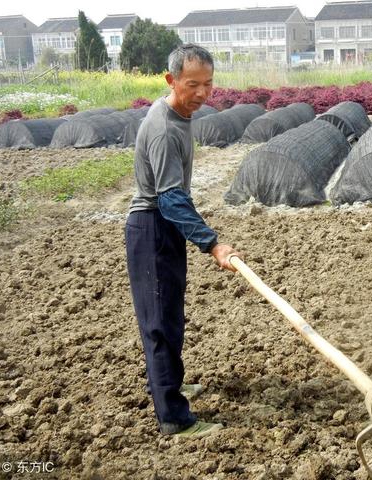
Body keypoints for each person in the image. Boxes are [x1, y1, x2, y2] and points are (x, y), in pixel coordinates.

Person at [125, 44, 241, 438]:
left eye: (209, 84)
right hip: (153, 227)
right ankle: (174, 416)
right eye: (193, 84)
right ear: (170, 79)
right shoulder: (163, 128)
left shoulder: (180, 114)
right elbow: (170, 197)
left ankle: (166, 383)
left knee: (168, 314)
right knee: (159, 322)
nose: (203, 94)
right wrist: (212, 243)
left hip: (164, 226)